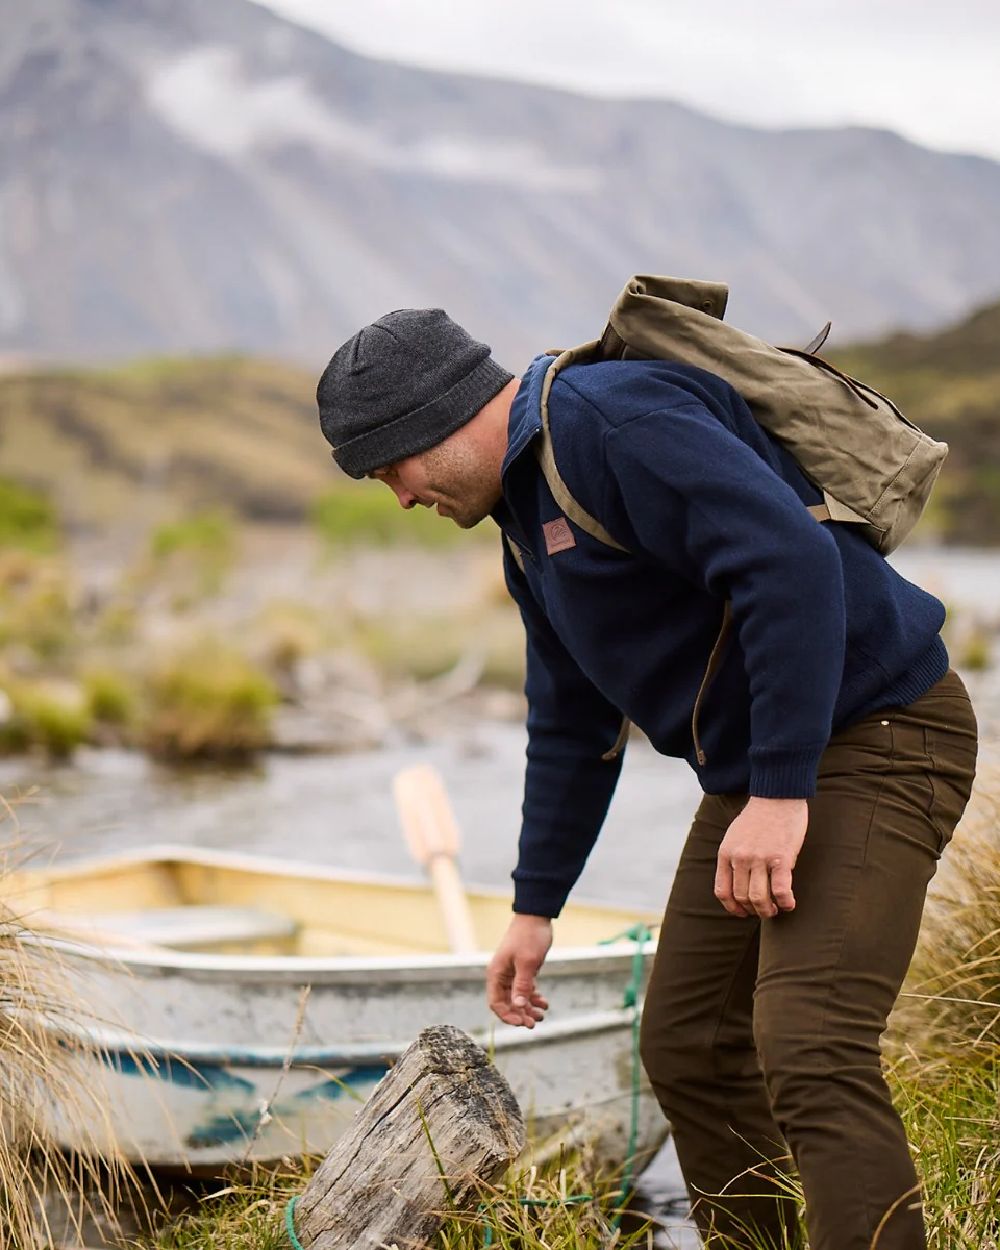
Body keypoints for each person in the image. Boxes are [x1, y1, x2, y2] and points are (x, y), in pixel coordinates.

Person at [316, 307, 979, 1250]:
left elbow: (792, 566)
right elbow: (571, 719)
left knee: (811, 1045)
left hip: (881, 731)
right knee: (691, 1047)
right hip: (768, 770)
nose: (398, 495)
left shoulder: (609, 425)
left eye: (390, 467)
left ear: (435, 419)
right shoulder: (522, 512)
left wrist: (782, 794)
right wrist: (535, 905)